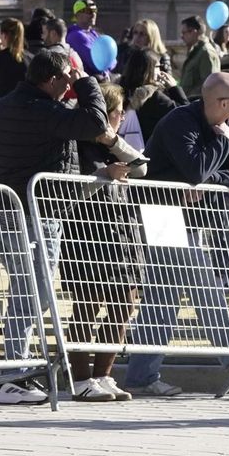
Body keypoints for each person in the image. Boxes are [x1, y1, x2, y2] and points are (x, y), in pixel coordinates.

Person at [0, 47, 111, 403]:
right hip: (39, 210)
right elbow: (97, 123)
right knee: (32, 293)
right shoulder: (47, 112)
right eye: (66, 79)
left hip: (8, 208)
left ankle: (19, 372)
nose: (69, 84)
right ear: (52, 80)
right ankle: (14, 376)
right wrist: (87, 82)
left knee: (28, 291)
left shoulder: (2, 106)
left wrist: (0, 186)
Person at [122, 72, 229, 399]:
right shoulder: (180, 121)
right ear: (223, 103)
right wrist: (221, 143)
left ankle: (142, 375)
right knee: (200, 276)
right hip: (159, 213)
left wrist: (211, 180)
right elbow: (194, 170)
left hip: (193, 220)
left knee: (163, 297)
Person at [64, 83, 148, 402]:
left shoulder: (115, 142)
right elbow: (68, 189)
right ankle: (81, 378)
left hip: (123, 237)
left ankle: (104, 374)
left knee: (123, 306)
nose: (122, 116)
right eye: (116, 112)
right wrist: (104, 174)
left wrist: (113, 141)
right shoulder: (77, 142)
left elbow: (141, 166)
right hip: (87, 236)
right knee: (87, 307)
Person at [118, 47, 187, 143]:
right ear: (151, 69)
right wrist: (174, 88)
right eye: (158, 66)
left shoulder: (120, 92)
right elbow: (186, 116)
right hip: (148, 153)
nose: (161, 71)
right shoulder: (153, 97)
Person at [178, 15, 220, 99]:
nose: (181, 37)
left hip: (196, 106)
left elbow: (209, 85)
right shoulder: (196, 51)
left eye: (184, 33)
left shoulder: (206, 52)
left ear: (193, 32)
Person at [67, 0, 101, 75]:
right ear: (77, 14)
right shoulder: (75, 36)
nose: (93, 14)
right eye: (89, 11)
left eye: (95, 10)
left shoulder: (94, 33)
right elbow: (96, 63)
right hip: (87, 81)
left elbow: (113, 62)